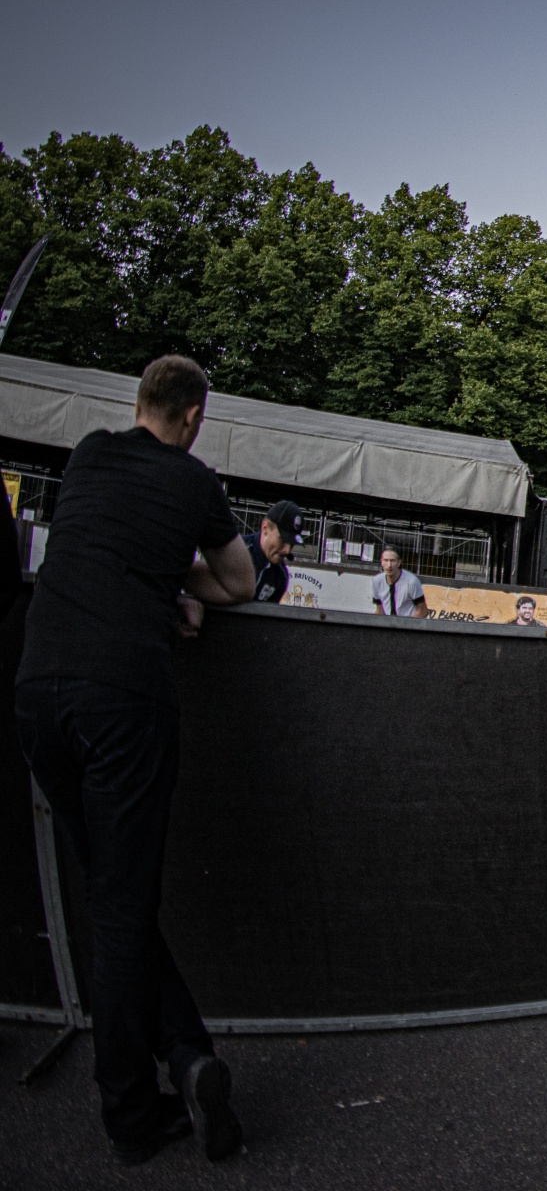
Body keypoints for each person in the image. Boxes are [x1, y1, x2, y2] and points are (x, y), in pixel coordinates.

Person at [12, 355, 254, 1165]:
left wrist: (152, 570)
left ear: (139, 401)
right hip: (121, 695)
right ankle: (130, 1112)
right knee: (121, 907)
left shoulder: (87, 454)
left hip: (38, 686)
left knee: (105, 895)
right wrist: (177, 581)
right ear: (194, 417)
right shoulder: (193, 481)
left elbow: (99, 545)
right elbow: (239, 582)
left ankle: (186, 1056)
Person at [242, 500, 302, 605]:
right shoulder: (237, 552)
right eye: (282, 540)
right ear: (265, 528)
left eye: (292, 543)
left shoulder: (281, 576)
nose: (287, 550)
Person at [370, 546, 426, 617]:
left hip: (407, 621)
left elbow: (423, 611)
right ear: (381, 562)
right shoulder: (376, 581)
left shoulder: (411, 581)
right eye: (386, 560)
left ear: (399, 562)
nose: (389, 565)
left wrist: (407, 623)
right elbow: (379, 609)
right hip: (386, 622)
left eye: (393, 561)